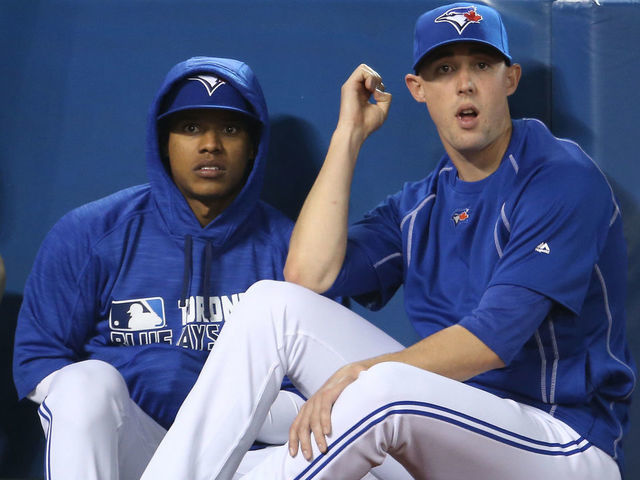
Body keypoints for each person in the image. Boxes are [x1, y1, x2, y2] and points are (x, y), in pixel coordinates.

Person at [141, 4, 637, 480]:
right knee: (271, 305)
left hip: (561, 443)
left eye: (481, 65)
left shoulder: (559, 176)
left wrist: (362, 372)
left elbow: (492, 340)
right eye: (444, 69)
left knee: (381, 388)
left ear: (509, 79)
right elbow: (307, 276)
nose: (464, 83)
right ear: (418, 89)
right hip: (446, 427)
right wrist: (348, 135)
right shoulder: (420, 203)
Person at [12, 56, 308, 479]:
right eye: (190, 128)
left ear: (254, 146)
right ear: (163, 140)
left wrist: (212, 407)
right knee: (84, 385)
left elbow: (317, 394)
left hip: (242, 459)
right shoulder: (92, 232)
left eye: (230, 128)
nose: (211, 145)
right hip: (133, 445)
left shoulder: (291, 248)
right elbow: (37, 358)